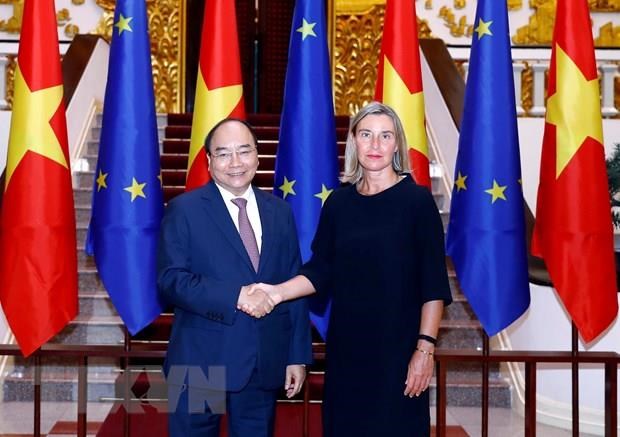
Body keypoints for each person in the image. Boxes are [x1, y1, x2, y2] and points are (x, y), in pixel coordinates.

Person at [243, 102, 452, 436]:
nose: (375, 145)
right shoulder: (338, 203)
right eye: (366, 135)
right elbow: (321, 270)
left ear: (397, 144)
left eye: (385, 136)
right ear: (354, 141)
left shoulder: (417, 202)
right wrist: (275, 292)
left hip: (398, 352)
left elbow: (433, 286)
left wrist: (424, 350)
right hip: (347, 351)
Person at [157, 118, 312, 437]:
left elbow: (293, 283)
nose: (236, 162)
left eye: (244, 151)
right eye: (224, 153)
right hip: (200, 363)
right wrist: (236, 296)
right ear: (209, 161)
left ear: (257, 156)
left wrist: (296, 356)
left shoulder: (280, 212)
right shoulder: (184, 210)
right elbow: (171, 279)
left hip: (263, 360)